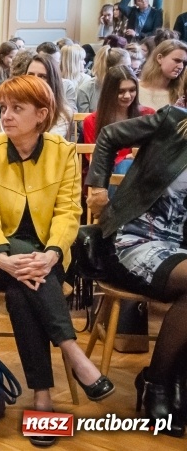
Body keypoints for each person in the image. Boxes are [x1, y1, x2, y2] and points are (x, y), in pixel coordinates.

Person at [0, 75, 115, 447]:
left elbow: (68, 213)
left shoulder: (63, 152)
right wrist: (2, 257)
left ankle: (43, 397)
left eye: (17, 108)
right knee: (22, 270)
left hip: (44, 257)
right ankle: (73, 353)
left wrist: (50, 255)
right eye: (3, 108)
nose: (6, 116)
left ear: (42, 114)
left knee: (23, 290)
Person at [86, 105, 187, 438]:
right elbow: (109, 135)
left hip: (179, 247)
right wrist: (97, 188)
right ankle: (159, 384)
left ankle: (171, 381)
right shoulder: (173, 121)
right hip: (133, 236)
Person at [83, 65, 154, 172]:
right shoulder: (92, 121)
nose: (127, 96)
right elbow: (93, 159)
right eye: (121, 91)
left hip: (142, 173)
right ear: (109, 92)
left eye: (132, 90)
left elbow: (155, 152)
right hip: (106, 175)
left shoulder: (148, 114)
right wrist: (124, 159)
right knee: (124, 166)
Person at [26, 53, 75, 139]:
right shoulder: (13, 106)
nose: (35, 80)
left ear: (52, 80)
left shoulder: (63, 112)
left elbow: (49, 143)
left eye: (42, 76)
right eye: (31, 75)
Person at [77, 46, 131, 112]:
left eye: (129, 67)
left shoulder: (131, 87)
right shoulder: (85, 89)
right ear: (111, 69)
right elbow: (83, 121)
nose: (130, 71)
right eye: (126, 67)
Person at [138, 39, 187, 110]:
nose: (181, 67)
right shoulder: (134, 89)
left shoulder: (181, 96)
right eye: (177, 60)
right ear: (160, 58)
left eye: (184, 63)